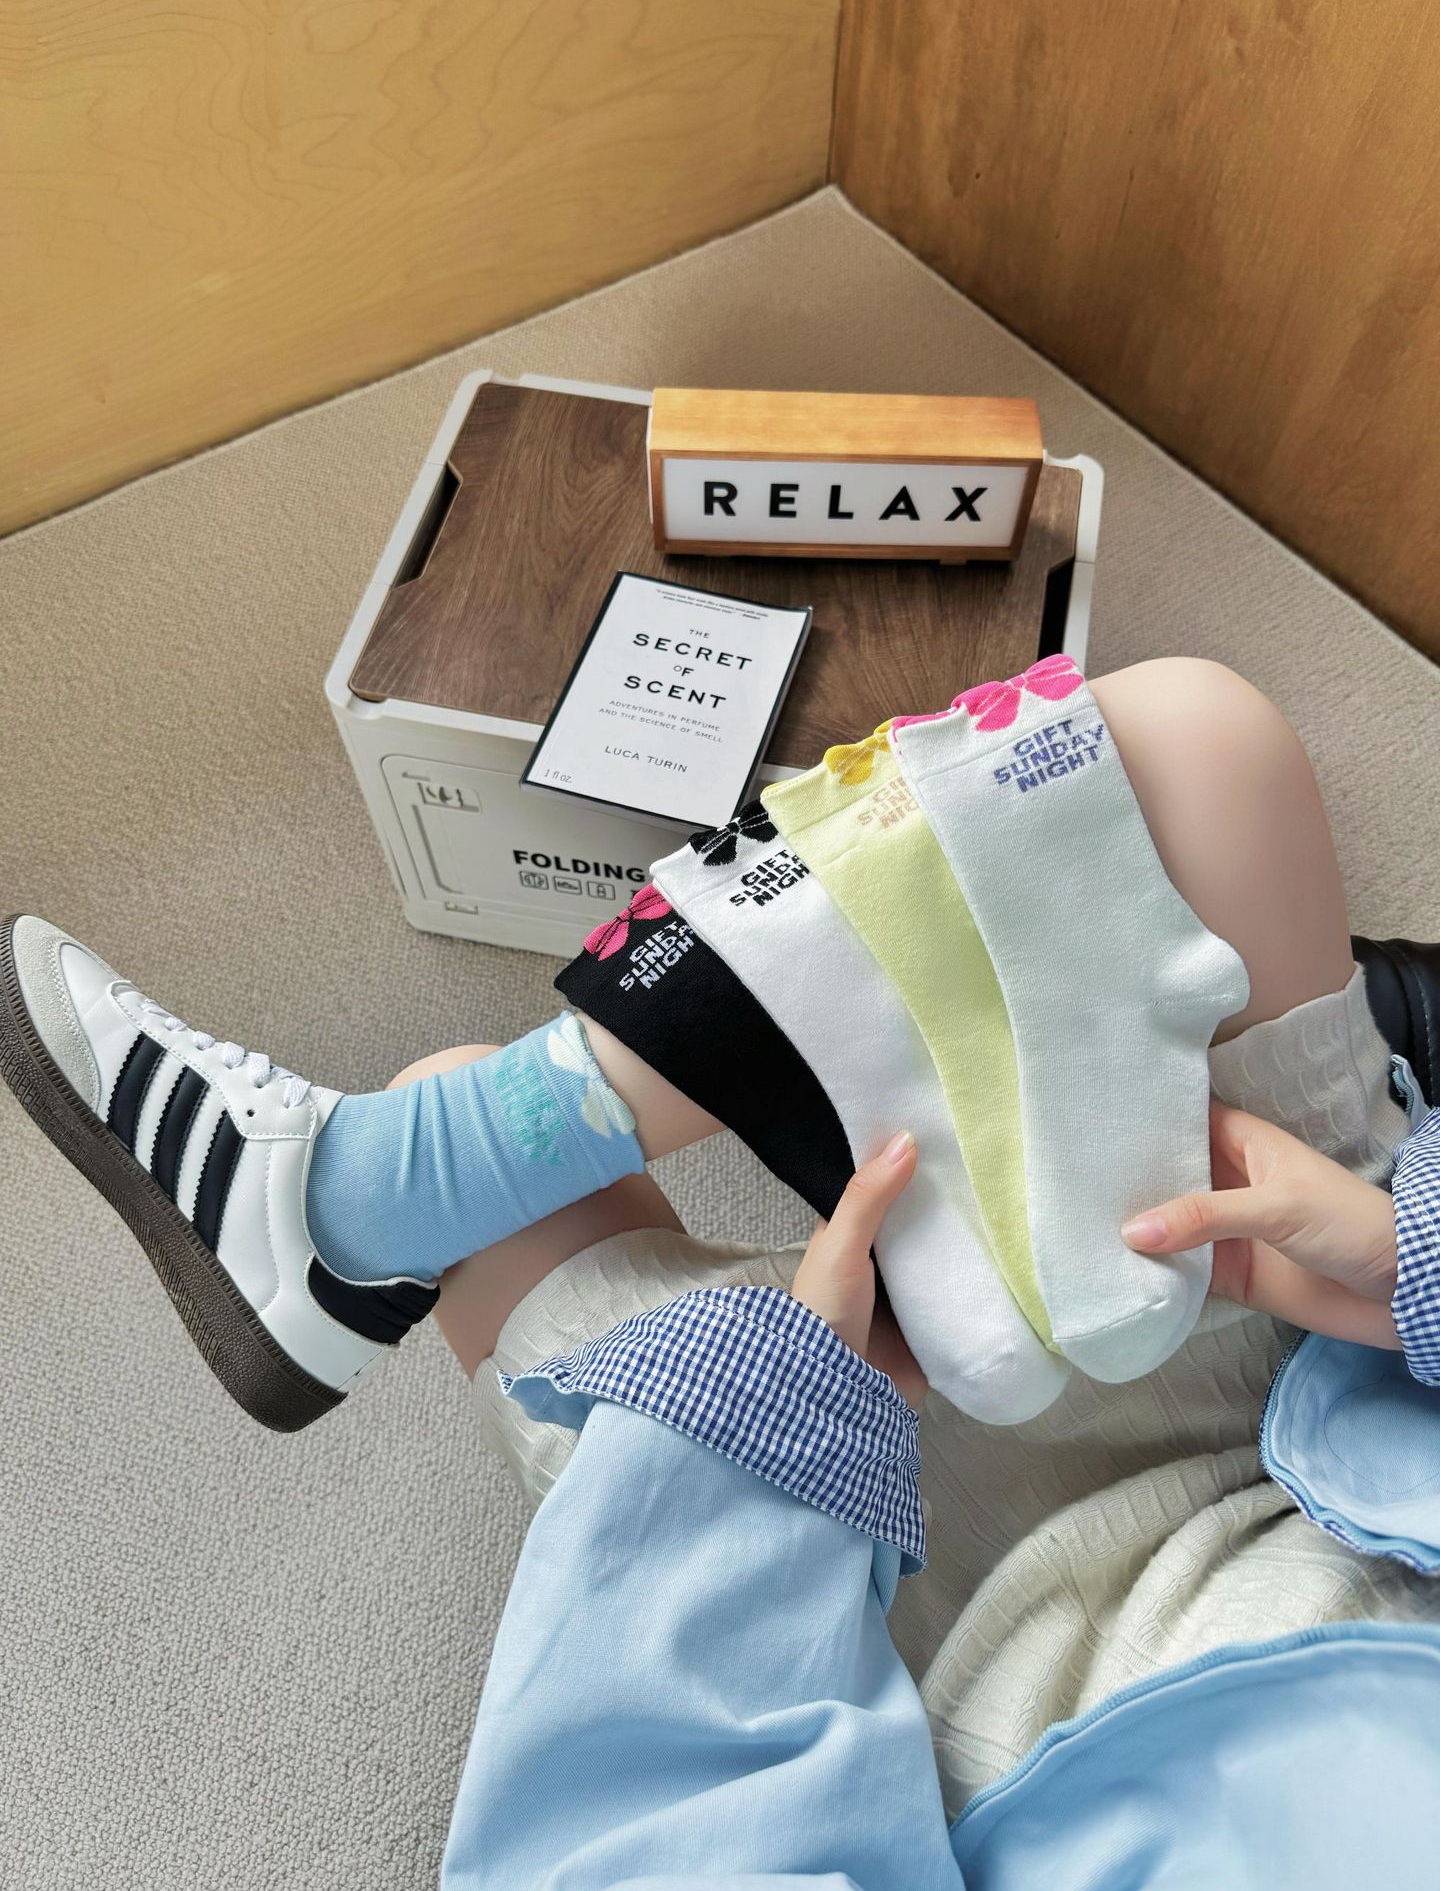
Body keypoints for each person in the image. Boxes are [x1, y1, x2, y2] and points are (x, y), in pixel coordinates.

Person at [3, 658, 1439, 1882]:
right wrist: (1412, 1270)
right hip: (1323, 1415)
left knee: (470, 1133)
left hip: (914, 1696)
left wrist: (769, 1442)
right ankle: (362, 1200)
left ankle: (359, 1206)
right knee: (1194, 744)